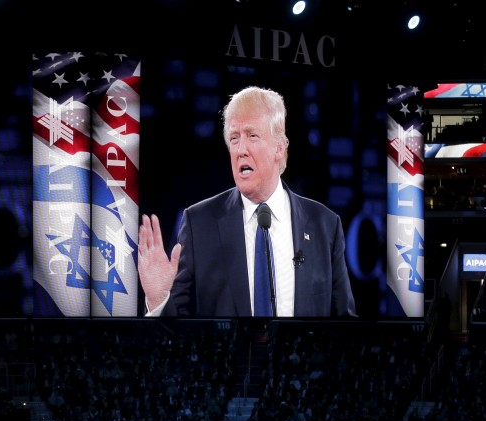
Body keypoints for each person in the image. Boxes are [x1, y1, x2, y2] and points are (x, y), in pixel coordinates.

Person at [137, 85, 355, 318]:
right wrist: (159, 300)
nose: (241, 149)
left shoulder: (324, 224)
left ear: (279, 148)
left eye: (252, 136)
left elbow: (343, 325)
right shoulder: (199, 223)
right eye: (234, 138)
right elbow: (180, 332)